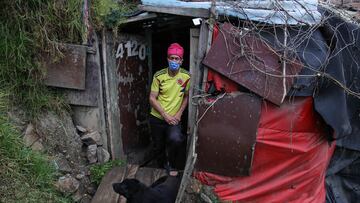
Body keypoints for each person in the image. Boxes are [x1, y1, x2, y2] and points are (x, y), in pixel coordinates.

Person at [149, 43, 190, 176]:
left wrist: (179, 114)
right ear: (167, 59)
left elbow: (187, 96)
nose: (174, 61)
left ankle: (171, 165)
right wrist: (164, 115)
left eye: (176, 59)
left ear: (181, 60)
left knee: (176, 139)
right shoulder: (159, 76)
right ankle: (160, 168)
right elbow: (152, 98)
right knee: (158, 146)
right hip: (157, 117)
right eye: (171, 58)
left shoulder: (186, 76)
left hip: (174, 119)